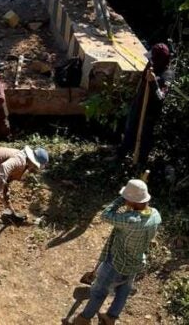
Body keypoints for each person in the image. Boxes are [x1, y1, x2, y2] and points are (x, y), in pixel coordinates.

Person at [71, 179, 161, 325]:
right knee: (123, 292)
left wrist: (121, 199)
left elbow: (105, 214)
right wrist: (132, 199)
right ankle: (110, 318)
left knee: (99, 292)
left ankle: (84, 319)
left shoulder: (130, 220)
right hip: (136, 261)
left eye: (127, 198)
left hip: (116, 264)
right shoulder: (155, 215)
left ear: (131, 200)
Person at [115, 43, 174, 164]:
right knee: (129, 130)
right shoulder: (151, 65)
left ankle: (140, 163)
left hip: (149, 113)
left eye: (152, 59)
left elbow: (161, 97)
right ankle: (121, 156)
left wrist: (153, 82)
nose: (150, 61)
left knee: (145, 138)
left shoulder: (167, 75)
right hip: (138, 106)